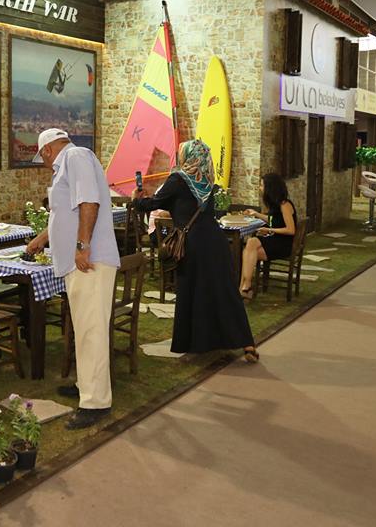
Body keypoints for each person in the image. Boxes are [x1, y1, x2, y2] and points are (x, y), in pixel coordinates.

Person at [25, 128, 120, 430]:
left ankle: (95, 403)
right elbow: (65, 213)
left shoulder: (75, 156)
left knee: (91, 331)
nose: (45, 164)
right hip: (80, 261)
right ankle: (86, 385)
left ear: (48, 150)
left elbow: (89, 203)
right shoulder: (71, 161)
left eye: (43, 158)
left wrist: (82, 246)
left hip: (89, 260)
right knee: (84, 329)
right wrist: (42, 239)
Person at [132, 139, 259, 363]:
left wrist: (136, 199)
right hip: (216, 242)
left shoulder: (178, 179)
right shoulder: (208, 181)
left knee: (193, 292)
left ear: (188, 156)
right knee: (225, 292)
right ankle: (246, 343)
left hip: (192, 245)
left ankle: (198, 343)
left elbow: (152, 205)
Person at [237, 173, 296, 298]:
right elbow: (273, 220)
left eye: (262, 185)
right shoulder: (275, 204)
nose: (260, 188)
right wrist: (256, 214)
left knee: (247, 251)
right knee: (249, 247)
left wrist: (269, 230)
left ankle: (244, 287)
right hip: (274, 240)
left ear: (270, 188)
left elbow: (291, 230)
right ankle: (245, 287)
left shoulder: (285, 205)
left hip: (283, 244)